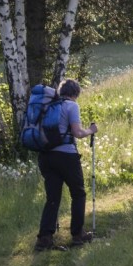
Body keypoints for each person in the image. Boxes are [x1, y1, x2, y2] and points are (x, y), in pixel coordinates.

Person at [34, 78, 98, 252]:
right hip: (66, 156)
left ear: (61, 91)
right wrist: (91, 131)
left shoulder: (47, 106)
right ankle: (78, 235)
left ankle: (44, 239)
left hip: (45, 156)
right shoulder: (72, 106)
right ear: (75, 93)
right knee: (78, 193)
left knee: (52, 197)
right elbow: (77, 133)